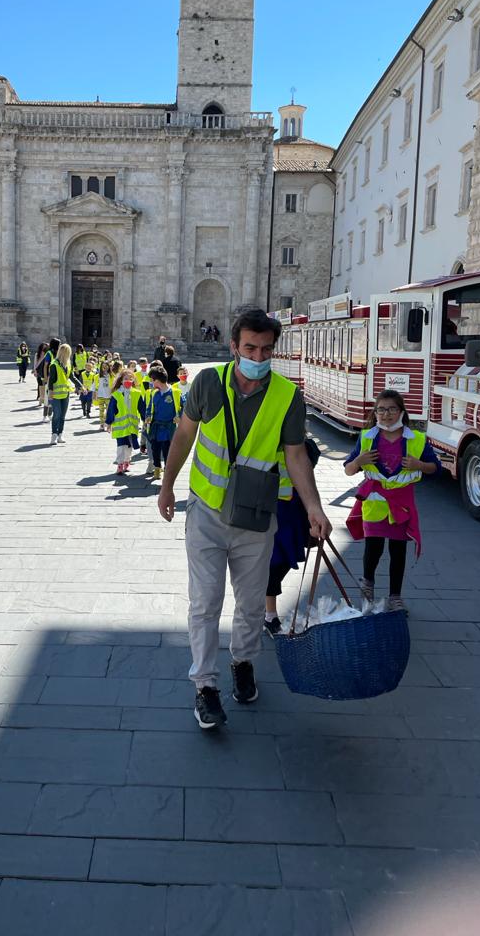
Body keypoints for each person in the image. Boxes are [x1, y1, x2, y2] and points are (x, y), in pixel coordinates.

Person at [157, 307, 332, 730]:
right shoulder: (208, 383)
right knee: (205, 603)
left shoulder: (287, 396)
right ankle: (205, 687)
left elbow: (295, 456)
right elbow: (184, 434)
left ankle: (243, 663)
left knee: (252, 604)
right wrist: (167, 486)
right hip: (207, 512)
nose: (258, 355)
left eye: (266, 349)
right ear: (233, 346)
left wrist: (314, 507)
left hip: (257, 516)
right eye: (250, 347)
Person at [344, 389, 441, 613]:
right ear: (375, 412)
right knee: (373, 548)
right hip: (374, 503)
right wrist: (359, 460)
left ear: (401, 412)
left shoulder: (416, 439)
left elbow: (436, 469)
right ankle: (367, 586)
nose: (386, 414)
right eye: (381, 409)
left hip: (401, 504)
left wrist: (420, 465)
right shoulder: (366, 437)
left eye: (392, 409)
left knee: (398, 551)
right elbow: (349, 470)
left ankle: (395, 597)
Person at [263, 437, 321, 637]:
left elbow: (308, 479)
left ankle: (265, 605)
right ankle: (270, 614)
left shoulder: (304, 446)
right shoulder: (263, 442)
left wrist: (315, 510)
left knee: (285, 560)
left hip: (294, 512)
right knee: (274, 563)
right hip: (271, 513)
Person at [106, 369, 145, 474]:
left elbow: (142, 409)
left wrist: (146, 420)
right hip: (120, 426)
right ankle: (119, 464)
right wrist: (109, 423)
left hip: (132, 426)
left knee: (129, 446)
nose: (128, 381)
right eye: (126, 379)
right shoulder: (116, 395)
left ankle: (127, 462)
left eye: (130, 379)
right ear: (121, 380)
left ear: (133, 380)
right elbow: (111, 409)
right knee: (120, 446)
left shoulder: (137, 393)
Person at [145, 366, 180, 481]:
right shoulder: (154, 393)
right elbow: (150, 407)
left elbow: (183, 407)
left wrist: (179, 416)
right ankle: (157, 468)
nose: (151, 382)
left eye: (152, 380)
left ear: (157, 380)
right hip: (156, 426)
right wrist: (148, 417)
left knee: (166, 450)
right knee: (155, 448)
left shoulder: (174, 392)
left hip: (169, 427)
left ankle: (167, 469)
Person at [47, 342, 77, 445]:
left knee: (63, 415)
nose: (69, 355)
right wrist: (50, 393)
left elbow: (72, 377)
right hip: (55, 394)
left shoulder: (68, 364)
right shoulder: (54, 364)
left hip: (65, 393)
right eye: (68, 353)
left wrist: (81, 386)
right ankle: (54, 435)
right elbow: (51, 380)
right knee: (57, 414)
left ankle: (60, 434)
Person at [95, 361, 112, 429]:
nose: (104, 367)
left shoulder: (111, 376)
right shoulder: (97, 376)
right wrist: (95, 395)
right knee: (101, 411)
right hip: (100, 396)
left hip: (108, 396)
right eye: (103, 366)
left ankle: (106, 422)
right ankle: (101, 424)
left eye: (106, 366)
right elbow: (95, 386)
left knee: (108, 411)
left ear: (109, 367)